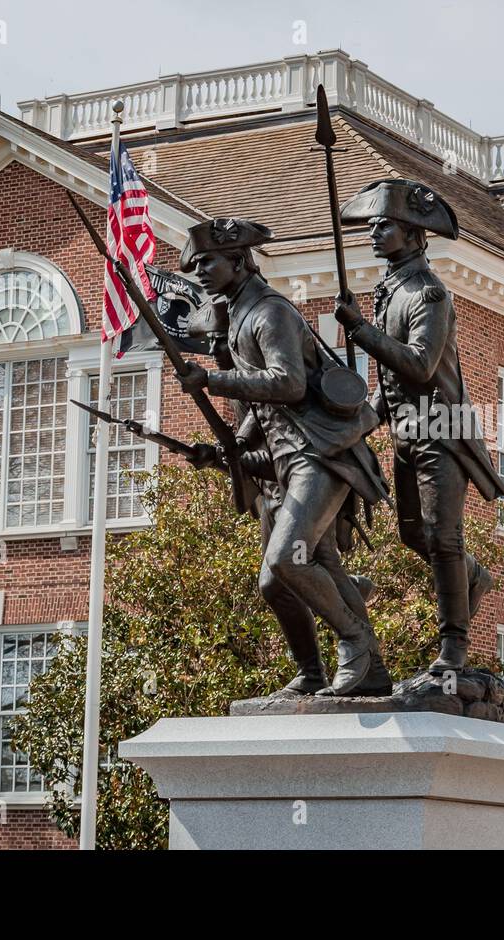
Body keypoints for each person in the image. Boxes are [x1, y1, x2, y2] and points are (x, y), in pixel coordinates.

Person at [176, 218, 390, 696]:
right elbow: (259, 413)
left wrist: (212, 380)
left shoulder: (269, 312)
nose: (201, 273)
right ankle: (324, 666)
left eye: (208, 262)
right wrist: (227, 449)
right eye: (197, 266)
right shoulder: (239, 319)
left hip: (321, 453)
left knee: (288, 561)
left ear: (237, 260)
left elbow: (288, 384)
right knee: (275, 582)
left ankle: (355, 640)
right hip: (286, 462)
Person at [332, 180, 504, 674]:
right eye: (374, 226)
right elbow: (392, 385)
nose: (374, 234)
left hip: (442, 433)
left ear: (412, 234)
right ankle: (474, 579)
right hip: (407, 433)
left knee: (443, 539)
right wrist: (357, 424)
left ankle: (454, 648)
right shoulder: (391, 292)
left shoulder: (429, 293)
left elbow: (421, 366)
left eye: (385, 226)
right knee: (413, 535)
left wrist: (361, 331)